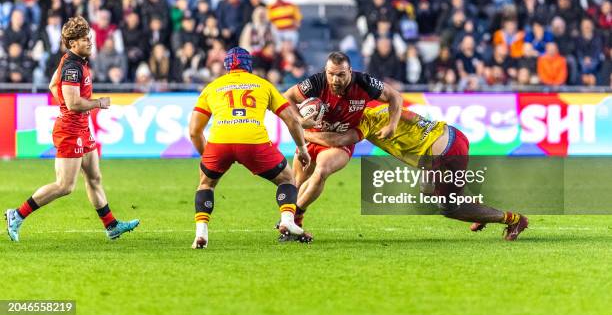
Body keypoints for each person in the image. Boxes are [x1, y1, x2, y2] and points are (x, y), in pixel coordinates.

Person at [303, 103, 529, 241]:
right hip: (448, 136)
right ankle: (478, 212)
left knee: (450, 208)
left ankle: (514, 220)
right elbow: (409, 116)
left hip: (444, 152)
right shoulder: (381, 109)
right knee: (427, 189)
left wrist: (307, 135)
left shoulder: (366, 120)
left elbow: (342, 139)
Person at [5, 16, 139, 242]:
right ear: (73, 43)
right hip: (70, 131)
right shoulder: (71, 67)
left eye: (89, 38)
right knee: (65, 185)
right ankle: (16, 215)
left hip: (81, 128)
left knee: (94, 177)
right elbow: (75, 103)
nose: (90, 42)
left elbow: (51, 86)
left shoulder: (77, 61)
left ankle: (111, 226)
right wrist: (98, 103)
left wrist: (67, 107)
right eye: (85, 39)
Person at [188, 47, 311, 248]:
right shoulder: (263, 85)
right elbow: (291, 120)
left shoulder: (212, 87)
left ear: (227, 67)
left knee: (206, 184)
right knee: (287, 179)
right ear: (249, 66)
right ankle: (287, 220)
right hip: (253, 141)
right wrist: (302, 148)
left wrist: (208, 156)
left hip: (220, 142)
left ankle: (201, 234)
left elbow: (194, 131)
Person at [283, 51, 404, 232]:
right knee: (297, 183)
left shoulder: (364, 82)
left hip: (340, 142)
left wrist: (392, 125)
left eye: (341, 74)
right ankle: (291, 222)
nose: (335, 80)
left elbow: (395, 96)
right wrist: (300, 120)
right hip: (314, 136)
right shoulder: (317, 82)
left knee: (322, 170)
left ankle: (294, 218)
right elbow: (287, 96)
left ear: (350, 71)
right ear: (326, 71)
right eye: (331, 74)